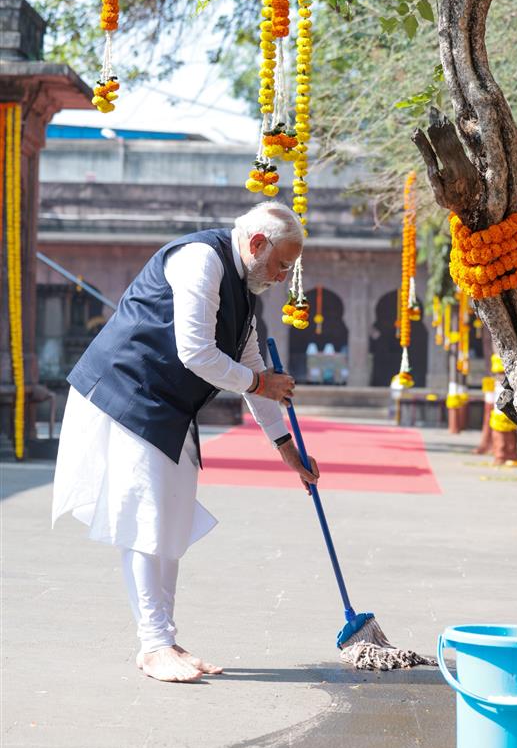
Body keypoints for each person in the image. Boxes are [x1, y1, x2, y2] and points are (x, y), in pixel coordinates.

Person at [52, 202, 319, 683]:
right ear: (256, 244)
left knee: (169, 521)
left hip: (167, 406)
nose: (283, 277)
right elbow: (196, 351)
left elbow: (253, 366)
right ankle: (153, 644)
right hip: (126, 392)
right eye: (281, 264)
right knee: (146, 516)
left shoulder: (244, 288)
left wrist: (285, 446)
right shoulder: (202, 259)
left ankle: (165, 639)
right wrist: (260, 385)